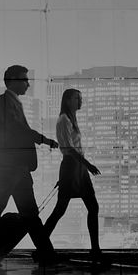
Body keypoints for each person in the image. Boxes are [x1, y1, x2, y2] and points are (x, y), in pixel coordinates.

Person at [0, 65, 58, 265]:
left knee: (28, 213)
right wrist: (44, 140)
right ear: (12, 80)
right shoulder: (4, 102)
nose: (28, 84)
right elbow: (18, 130)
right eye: (24, 80)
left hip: (15, 168)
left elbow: (19, 130)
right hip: (9, 167)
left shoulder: (12, 102)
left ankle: (47, 253)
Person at [42, 88, 103, 260]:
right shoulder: (63, 120)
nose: (80, 101)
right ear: (68, 100)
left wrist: (84, 166)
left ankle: (95, 249)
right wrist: (88, 164)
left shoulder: (70, 119)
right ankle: (42, 245)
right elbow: (68, 149)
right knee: (60, 210)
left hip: (77, 168)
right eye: (78, 98)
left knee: (91, 207)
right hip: (72, 167)